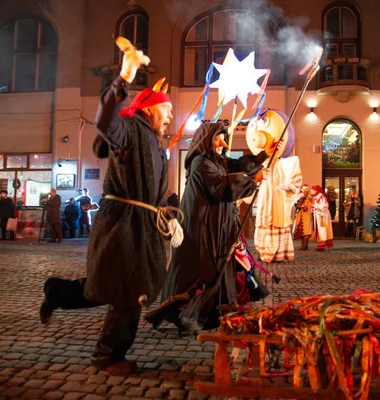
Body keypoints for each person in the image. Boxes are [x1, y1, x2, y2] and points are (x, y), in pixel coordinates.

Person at [40, 37, 183, 373]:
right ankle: (107, 356)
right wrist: (124, 78)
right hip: (122, 227)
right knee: (129, 292)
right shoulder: (130, 130)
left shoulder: (156, 143)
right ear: (149, 107)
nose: (171, 115)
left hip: (143, 226)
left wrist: (166, 217)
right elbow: (104, 122)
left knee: (108, 286)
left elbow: (154, 195)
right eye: (167, 108)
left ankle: (57, 293)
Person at [146, 121, 274, 332]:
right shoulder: (201, 163)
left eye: (224, 137)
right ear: (205, 140)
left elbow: (238, 167)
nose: (223, 143)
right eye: (217, 138)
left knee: (222, 265)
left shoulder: (219, 162)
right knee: (201, 269)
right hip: (202, 229)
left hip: (219, 228)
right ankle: (189, 313)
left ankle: (214, 312)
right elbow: (222, 187)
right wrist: (253, 180)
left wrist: (263, 156)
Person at [250, 109, 302, 263]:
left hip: (277, 200)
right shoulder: (261, 163)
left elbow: (295, 184)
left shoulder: (285, 164)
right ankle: (264, 250)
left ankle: (277, 252)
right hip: (266, 200)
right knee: (266, 219)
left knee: (276, 218)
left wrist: (286, 188)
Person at [311, 185, 334, 251]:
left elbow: (324, 206)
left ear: (315, 190)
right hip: (319, 215)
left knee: (322, 229)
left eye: (312, 190)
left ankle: (322, 245)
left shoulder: (321, 196)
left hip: (322, 216)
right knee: (320, 230)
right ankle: (320, 245)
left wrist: (315, 205)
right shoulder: (316, 197)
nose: (311, 191)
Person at [294, 184, 314, 251]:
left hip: (307, 216)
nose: (305, 193)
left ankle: (305, 246)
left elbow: (311, 207)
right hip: (300, 216)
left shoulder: (309, 199)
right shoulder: (299, 198)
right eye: (304, 192)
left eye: (306, 192)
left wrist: (303, 206)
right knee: (301, 231)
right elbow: (296, 205)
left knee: (306, 231)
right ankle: (302, 245)